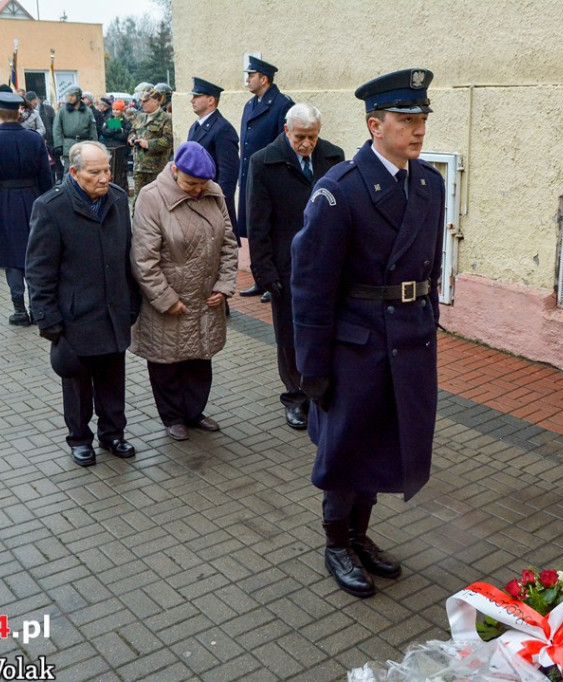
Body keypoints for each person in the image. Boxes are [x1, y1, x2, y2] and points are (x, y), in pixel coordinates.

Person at [290, 69, 444, 599]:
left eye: (422, 119)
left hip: (408, 336)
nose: (418, 130)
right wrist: (312, 368)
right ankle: (337, 541)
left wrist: (429, 319)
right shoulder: (339, 192)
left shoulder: (428, 181)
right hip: (355, 343)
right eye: (407, 120)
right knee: (347, 445)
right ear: (375, 125)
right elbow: (310, 287)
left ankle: (360, 534)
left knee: (384, 441)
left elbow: (431, 268)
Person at [26, 141, 139, 467]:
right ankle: (79, 439)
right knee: (77, 384)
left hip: (114, 311)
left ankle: (113, 434)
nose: (105, 177)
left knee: (113, 380)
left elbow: (127, 256)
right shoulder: (51, 207)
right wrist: (49, 321)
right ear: (74, 173)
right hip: (75, 317)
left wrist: (132, 304)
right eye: (95, 172)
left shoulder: (117, 198)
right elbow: (39, 271)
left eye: (107, 169)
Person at [130, 141, 237, 441]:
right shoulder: (151, 198)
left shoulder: (213, 195)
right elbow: (143, 259)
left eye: (203, 184)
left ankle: (194, 412)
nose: (197, 190)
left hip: (205, 298)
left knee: (200, 360)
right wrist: (166, 299)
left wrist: (225, 285)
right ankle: (173, 416)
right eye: (191, 183)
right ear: (175, 170)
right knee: (167, 362)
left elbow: (229, 244)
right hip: (169, 300)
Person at [246, 103, 344, 430]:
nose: (307, 144)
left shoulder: (333, 157)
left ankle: (320, 390)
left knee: (325, 328)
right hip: (285, 264)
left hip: (326, 262)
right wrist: (264, 272)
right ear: (287, 131)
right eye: (300, 137)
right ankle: (295, 396)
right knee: (289, 335)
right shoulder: (264, 162)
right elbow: (257, 222)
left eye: (312, 137)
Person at [0, 92, 53, 326]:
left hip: (3, 202)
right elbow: (46, 177)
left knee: (11, 256)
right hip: (33, 199)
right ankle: (37, 308)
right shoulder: (34, 139)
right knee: (35, 253)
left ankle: (20, 310)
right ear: (19, 113)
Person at [238, 56, 293, 299]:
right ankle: (260, 279)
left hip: (272, 180)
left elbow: (285, 146)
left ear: (264, 78)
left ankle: (275, 280)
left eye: (251, 75)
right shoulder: (250, 105)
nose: (247, 79)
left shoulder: (282, 105)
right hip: (251, 177)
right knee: (255, 230)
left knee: (273, 232)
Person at [187, 78, 238, 232]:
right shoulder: (195, 127)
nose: (192, 100)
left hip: (211, 202)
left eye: (197, 97)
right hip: (197, 199)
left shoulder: (223, 129)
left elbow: (228, 174)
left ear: (211, 100)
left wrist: (218, 203)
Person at [128, 88, 173, 200]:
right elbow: (132, 132)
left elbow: (168, 141)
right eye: (141, 101)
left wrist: (148, 144)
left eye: (145, 101)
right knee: (138, 201)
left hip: (156, 169)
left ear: (155, 101)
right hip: (139, 167)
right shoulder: (140, 117)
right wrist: (132, 138)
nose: (141, 104)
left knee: (157, 200)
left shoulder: (166, 118)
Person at [52, 85, 97, 175]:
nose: (70, 98)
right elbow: (57, 128)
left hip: (84, 144)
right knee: (69, 171)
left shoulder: (88, 111)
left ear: (79, 96)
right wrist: (58, 144)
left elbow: (93, 129)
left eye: (72, 96)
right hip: (69, 144)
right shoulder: (63, 111)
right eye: (69, 96)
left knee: (84, 169)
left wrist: (95, 145)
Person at [102, 100, 131, 191]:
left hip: (121, 150)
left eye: (117, 109)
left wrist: (113, 132)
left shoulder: (126, 122)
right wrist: (116, 130)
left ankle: (122, 190)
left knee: (121, 172)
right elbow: (104, 133)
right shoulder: (109, 119)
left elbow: (124, 136)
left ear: (122, 110)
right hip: (110, 148)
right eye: (114, 109)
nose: (115, 111)